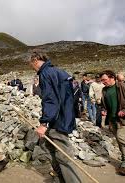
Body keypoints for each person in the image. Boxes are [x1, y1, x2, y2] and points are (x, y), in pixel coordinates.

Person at [28, 52, 83, 183]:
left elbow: (50, 99)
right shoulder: (59, 72)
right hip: (65, 116)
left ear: (35, 60)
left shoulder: (46, 73)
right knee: (49, 147)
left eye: (31, 64)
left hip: (57, 120)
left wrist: (44, 123)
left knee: (63, 155)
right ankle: (59, 178)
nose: (32, 68)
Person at [100, 70, 125, 175]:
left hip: (124, 119)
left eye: (104, 80)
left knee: (123, 138)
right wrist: (103, 109)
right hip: (112, 119)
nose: (103, 82)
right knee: (120, 142)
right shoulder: (105, 90)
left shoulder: (123, 86)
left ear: (112, 78)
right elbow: (103, 103)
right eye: (101, 80)